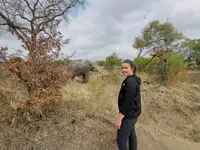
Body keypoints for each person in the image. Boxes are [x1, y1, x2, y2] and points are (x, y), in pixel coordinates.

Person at [115, 59, 141, 150]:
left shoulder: (130, 82)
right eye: (122, 68)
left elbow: (128, 102)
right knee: (131, 136)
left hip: (128, 115)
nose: (123, 70)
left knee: (121, 139)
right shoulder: (132, 79)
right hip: (133, 114)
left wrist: (119, 118)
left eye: (126, 68)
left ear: (132, 68)